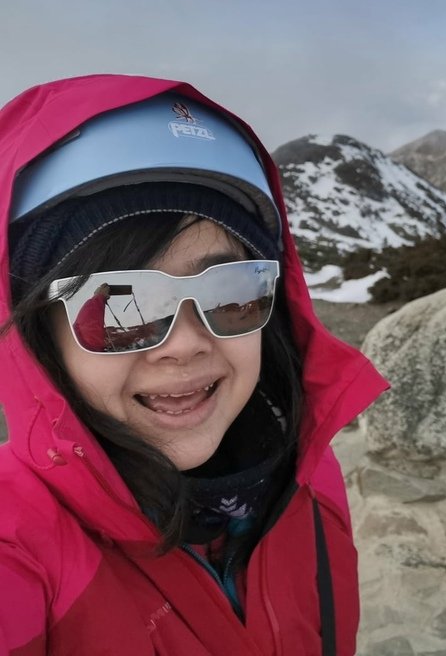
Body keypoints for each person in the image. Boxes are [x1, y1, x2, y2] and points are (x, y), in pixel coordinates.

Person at [0, 74, 389, 654]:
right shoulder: (18, 544)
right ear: (39, 337)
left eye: (232, 290)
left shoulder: (306, 482)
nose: (184, 345)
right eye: (118, 305)